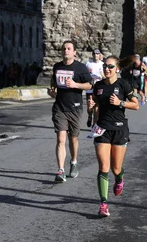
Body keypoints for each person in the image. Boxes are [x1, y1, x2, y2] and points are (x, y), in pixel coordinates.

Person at [88, 56, 139, 217]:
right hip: (102, 129)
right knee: (104, 166)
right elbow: (94, 105)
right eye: (104, 66)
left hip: (119, 129)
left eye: (110, 66)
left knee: (116, 168)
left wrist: (120, 103)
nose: (106, 69)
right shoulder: (99, 86)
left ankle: (119, 179)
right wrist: (90, 107)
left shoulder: (123, 84)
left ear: (117, 68)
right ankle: (103, 203)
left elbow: (136, 105)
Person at [48, 40, 92, 182]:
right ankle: (60, 170)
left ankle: (73, 162)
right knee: (61, 139)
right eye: (64, 49)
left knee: (73, 138)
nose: (66, 50)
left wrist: (75, 84)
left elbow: (89, 85)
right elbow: (54, 84)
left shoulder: (80, 68)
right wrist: (52, 93)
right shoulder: (57, 67)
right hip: (60, 107)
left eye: (69, 48)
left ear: (74, 52)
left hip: (75, 108)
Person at [85, 49, 104, 128]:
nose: (95, 55)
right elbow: (84, 75)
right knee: (90, 106)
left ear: (100, 55)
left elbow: (105, 77)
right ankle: (90, 116)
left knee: (97, 107)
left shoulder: (102, 64)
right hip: (90, 87)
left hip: (99, 87)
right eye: (94, 54)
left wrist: (102, 76)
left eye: (97, 54)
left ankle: (94, 125)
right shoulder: (88, 64)